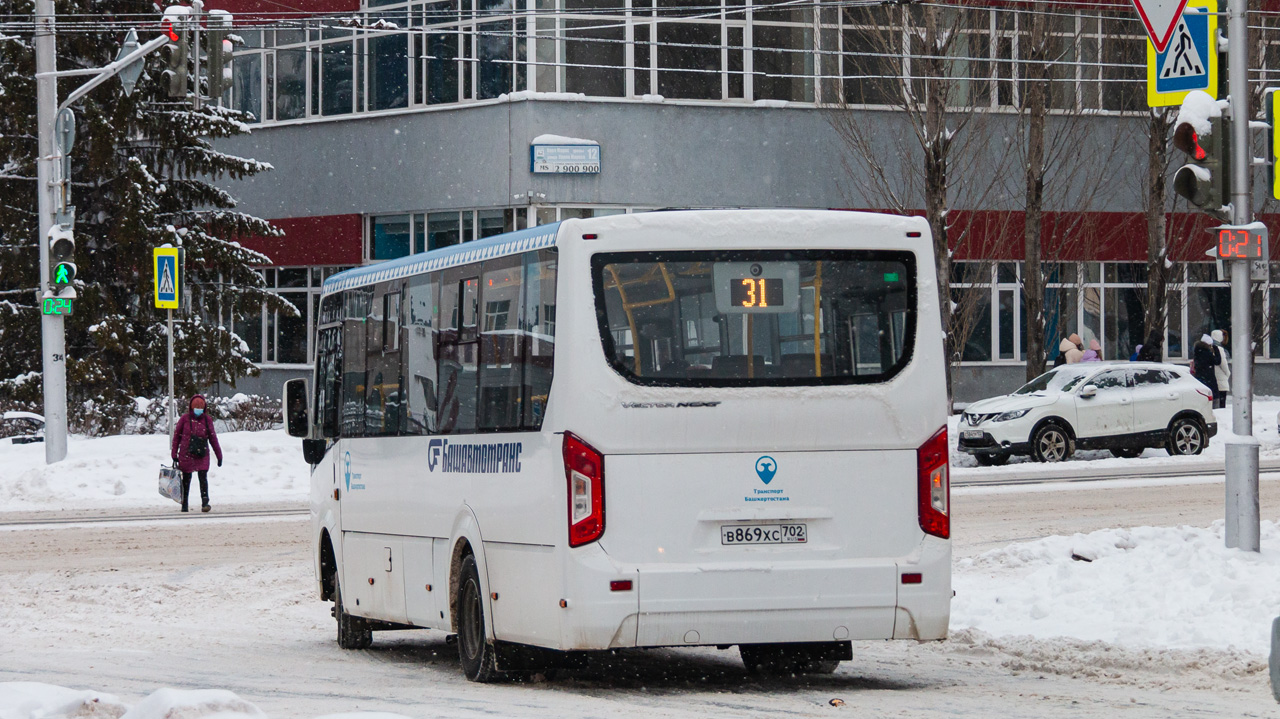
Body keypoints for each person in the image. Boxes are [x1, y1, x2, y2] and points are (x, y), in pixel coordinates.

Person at [170, 394, 223, 513]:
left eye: (200, 407)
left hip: (201, 454)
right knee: (186, 480)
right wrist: (174, 454)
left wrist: (219, 455)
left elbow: (213, 439)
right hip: (186, 454)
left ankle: (205, 502)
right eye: (196, 407)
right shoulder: (184, 419)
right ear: (191, 407)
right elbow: (176, 438)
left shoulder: (207, 420)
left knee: (203, 478)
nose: (198, 409)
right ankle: (184, 504)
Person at [1211, 329, 1231, 409]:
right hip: (1221, 378)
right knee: (1222, 404)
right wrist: (1228, 373)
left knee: (1215, 402)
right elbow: (1224, 364)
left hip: (1213, 378)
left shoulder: (1210, 347)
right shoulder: (1220, 349)